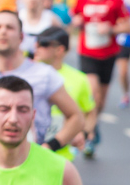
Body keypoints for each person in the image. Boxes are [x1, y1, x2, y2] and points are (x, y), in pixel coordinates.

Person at [0, 10, 85, 155]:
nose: (3, 31)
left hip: (31, 162)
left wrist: (50, 146)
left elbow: (76, 117)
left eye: (9, 27)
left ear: (21, 37)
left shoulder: (44, 74)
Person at [69, 0, 129, 158]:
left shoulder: (115, 0)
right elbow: (73, 20)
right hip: (87, 53)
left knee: (101, 99)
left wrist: (111, 29)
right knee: (93, 93)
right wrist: (76, 22)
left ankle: (94, 123)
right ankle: (88, 134)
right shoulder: (81, 0)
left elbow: (127, 25)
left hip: (108, 54)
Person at [31, 26, 95, 159]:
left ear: (59, 50)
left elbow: (90, 113)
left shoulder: (79, 79)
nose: (36, 47)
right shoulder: (26, 73)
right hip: (29, 150)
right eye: (37, 43)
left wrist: (82, 133)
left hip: (61, 155)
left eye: (44, 44)